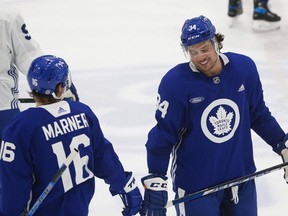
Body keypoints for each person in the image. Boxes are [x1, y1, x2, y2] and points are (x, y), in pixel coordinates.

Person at [139, 15, 288, 216]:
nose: (200, 56)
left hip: (241, 180)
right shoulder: (175, 84)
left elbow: (258, 114)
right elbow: (164, 136)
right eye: (193, 52)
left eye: (204, 49)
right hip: (197, 189)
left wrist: (283, 145)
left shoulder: (244, 69)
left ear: (216, 43)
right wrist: (156, 179)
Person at [0, 55, 142, 215]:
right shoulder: (83, 112)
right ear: (60, 88)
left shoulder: (21, 127)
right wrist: (123, 185)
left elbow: (14, 182)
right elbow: (102, 155)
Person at [0, 7, 79, 215]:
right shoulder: (6, 15)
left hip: (4, 107)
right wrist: (57, 86)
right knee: (12, 173)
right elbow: (30, 57)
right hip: (3, 108)